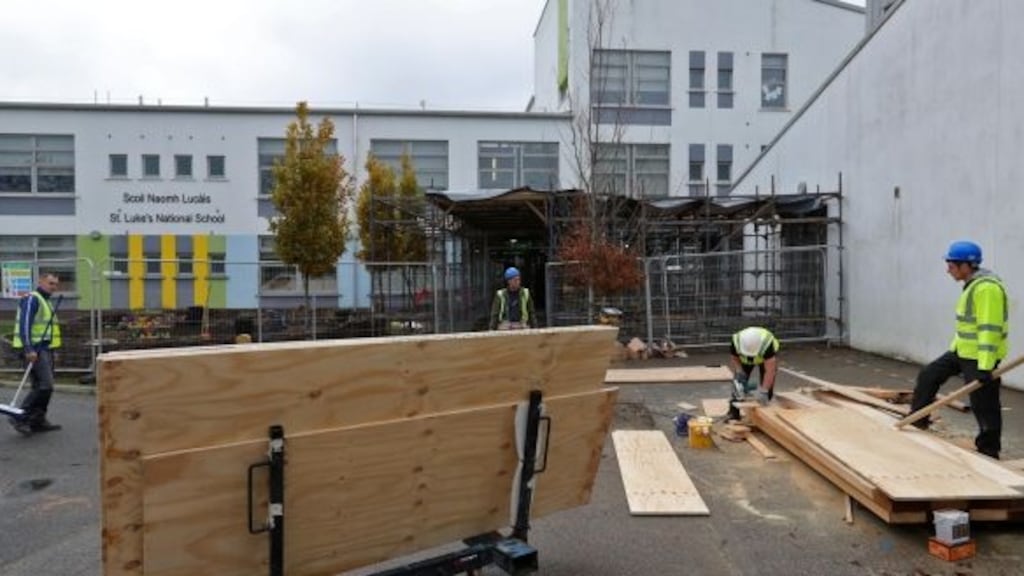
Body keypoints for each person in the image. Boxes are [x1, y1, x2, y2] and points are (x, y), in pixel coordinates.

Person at [910, 240, 1008, 459]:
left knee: (984, 402)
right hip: (962, 351)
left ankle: (989, 450)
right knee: (928, 375)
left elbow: (989, 329)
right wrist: (954, 350)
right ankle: (917, 423)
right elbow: (968, 326)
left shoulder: (987, 289)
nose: (948, 270)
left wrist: (985, 366)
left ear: (967, 265)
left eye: (952, 266)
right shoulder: (972, 285)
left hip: (980, 357)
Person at [9, 272, 63, 436]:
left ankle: (37, 419)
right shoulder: (32, 299)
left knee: (41, 386)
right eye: (50, 283)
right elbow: (25, 324)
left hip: (45, 349)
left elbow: (47, 330)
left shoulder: (46, 301)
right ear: (41, 282)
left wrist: (53, 350)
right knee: (46, 384)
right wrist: (28, 349)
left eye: (55, 284)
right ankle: (20, 417)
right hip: (35, 349)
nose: (53, 287)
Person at [726, 326, 780, 421]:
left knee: (767, 390)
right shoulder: (736, 341)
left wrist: (764, 391)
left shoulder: (767, 345)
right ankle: (733, 414)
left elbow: (770, 371)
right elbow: (735, 358)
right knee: (738, 387)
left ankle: (764, 417)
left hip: (765, 359)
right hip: (745, 361)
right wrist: (739, 371)